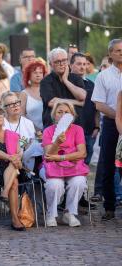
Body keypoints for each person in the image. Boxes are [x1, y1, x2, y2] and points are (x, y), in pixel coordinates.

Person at [41, 101, 88, 227]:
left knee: (79, 182)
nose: (63, 115)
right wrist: (56, 143)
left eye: (66, 112)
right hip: (52, 167)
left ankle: (69, 213)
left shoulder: (78, 130)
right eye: (59, 112)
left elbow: (82, 153)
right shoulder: (48, 131)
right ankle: (51, 213)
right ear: (54, 115)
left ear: (72, 115)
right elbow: (49, 156)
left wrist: (61, 157)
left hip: (73, 166)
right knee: (54, 184)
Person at [91, 39, 122, 220]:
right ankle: (109, 206)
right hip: (111, 124)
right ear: (110, 54)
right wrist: (118, 116)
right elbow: (99, 104)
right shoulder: (104, 76)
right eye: (117, 50)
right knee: (108, 165)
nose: (121, 53)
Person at [40, 47, 86, 129]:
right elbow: (51, 102)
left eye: (64, 60)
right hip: (53, 127)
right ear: (50, 64)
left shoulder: (76, 78)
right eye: (57, 62)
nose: (61, 64)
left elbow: (82, 96)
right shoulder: (45, 81)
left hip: (75, 127)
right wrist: (77, 102)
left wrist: (65, 80)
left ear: (68, 61)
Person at [70, 53, 99, 165]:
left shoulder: (91, 85)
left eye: (84, 64)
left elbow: (96, 107)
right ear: (71, 64)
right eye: (79, 64)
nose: (82, 67)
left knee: (84, 166)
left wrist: (97, 126)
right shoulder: (65, 83)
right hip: (70, 132)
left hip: (89, 132)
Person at [2, 92, 43, 171]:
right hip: (9, 160)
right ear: (4, 108)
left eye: (17, 102)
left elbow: (31, 143)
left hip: (27, 159)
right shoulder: (2, 124)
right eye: (11, 104)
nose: (15, 105)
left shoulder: (28, 123)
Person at [20, 61, 46, 131]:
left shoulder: (49, 91)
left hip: (49, 132)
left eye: (41, 73)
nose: (38, 75)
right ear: (29, 75)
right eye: (35, 73)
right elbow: (21, 115)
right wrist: (35, 129)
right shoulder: (24, 94)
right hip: (31, 132)